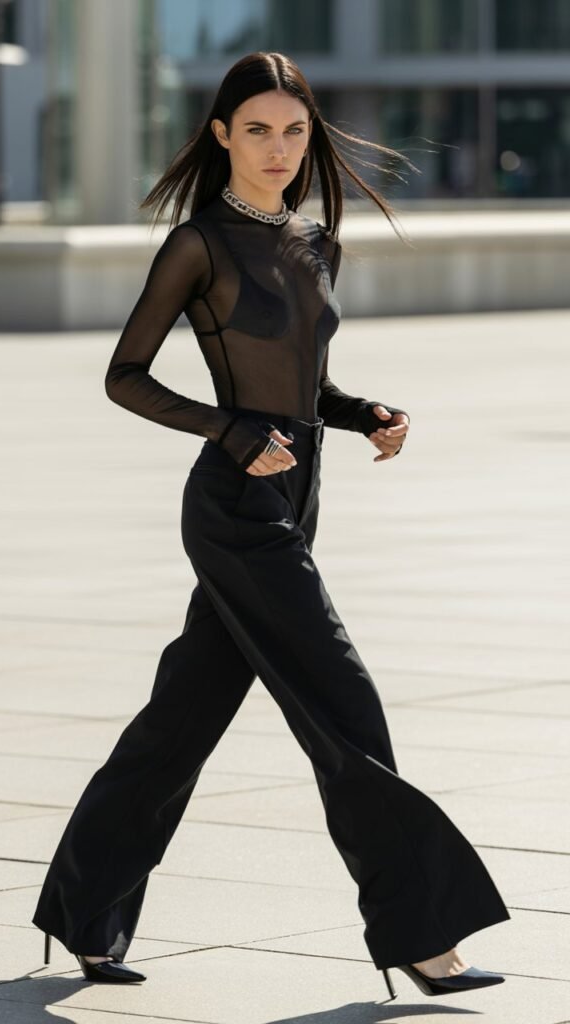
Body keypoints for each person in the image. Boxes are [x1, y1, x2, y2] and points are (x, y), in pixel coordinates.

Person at [32, 51, 510, 998]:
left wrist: (364, 412)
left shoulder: (315, 241)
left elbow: (303, 388)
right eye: (256, 130)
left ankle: (83, 915)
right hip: (233, 508)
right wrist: (230, 430)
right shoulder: (198, 244)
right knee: (346, 705)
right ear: (220, 136)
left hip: (296, 496)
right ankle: (422, 934)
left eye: (294, 130)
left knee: (181, 721)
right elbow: (125, 376)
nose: (278, 148)